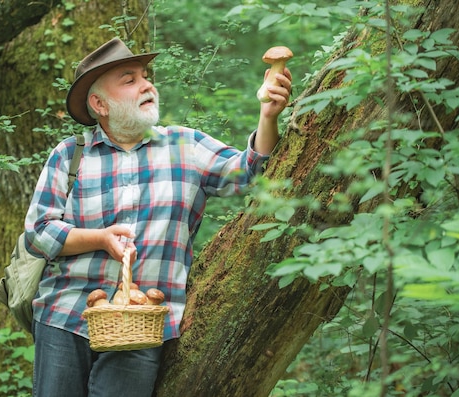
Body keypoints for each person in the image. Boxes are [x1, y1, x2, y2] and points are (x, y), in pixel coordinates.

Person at [24, 37, 292, 397]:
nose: (147, 84)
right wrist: (100, 239)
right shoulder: (71, 155)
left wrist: (268, 115)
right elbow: (38, 232)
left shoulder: (186, 146)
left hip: (144, 324)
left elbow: (249, 174)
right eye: (129, 79)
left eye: (145, 76)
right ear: (99, 103)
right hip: (64, 315)